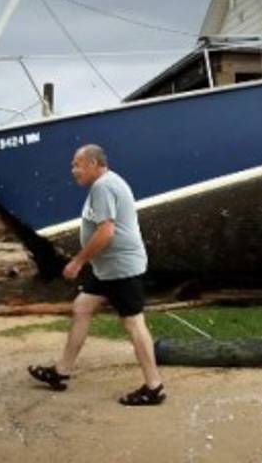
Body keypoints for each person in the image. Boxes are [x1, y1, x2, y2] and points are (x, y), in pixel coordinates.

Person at [27, 144, 165, 405]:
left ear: (93, 164)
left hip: (121, 268)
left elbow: (106, 232)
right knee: (81, 308)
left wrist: (78, 262)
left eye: (77, 165)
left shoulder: (103, 186)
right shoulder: (106, 184)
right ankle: (61, 372)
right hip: (107, 268)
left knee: (133, 323)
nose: (73, 171)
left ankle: (154, 386)